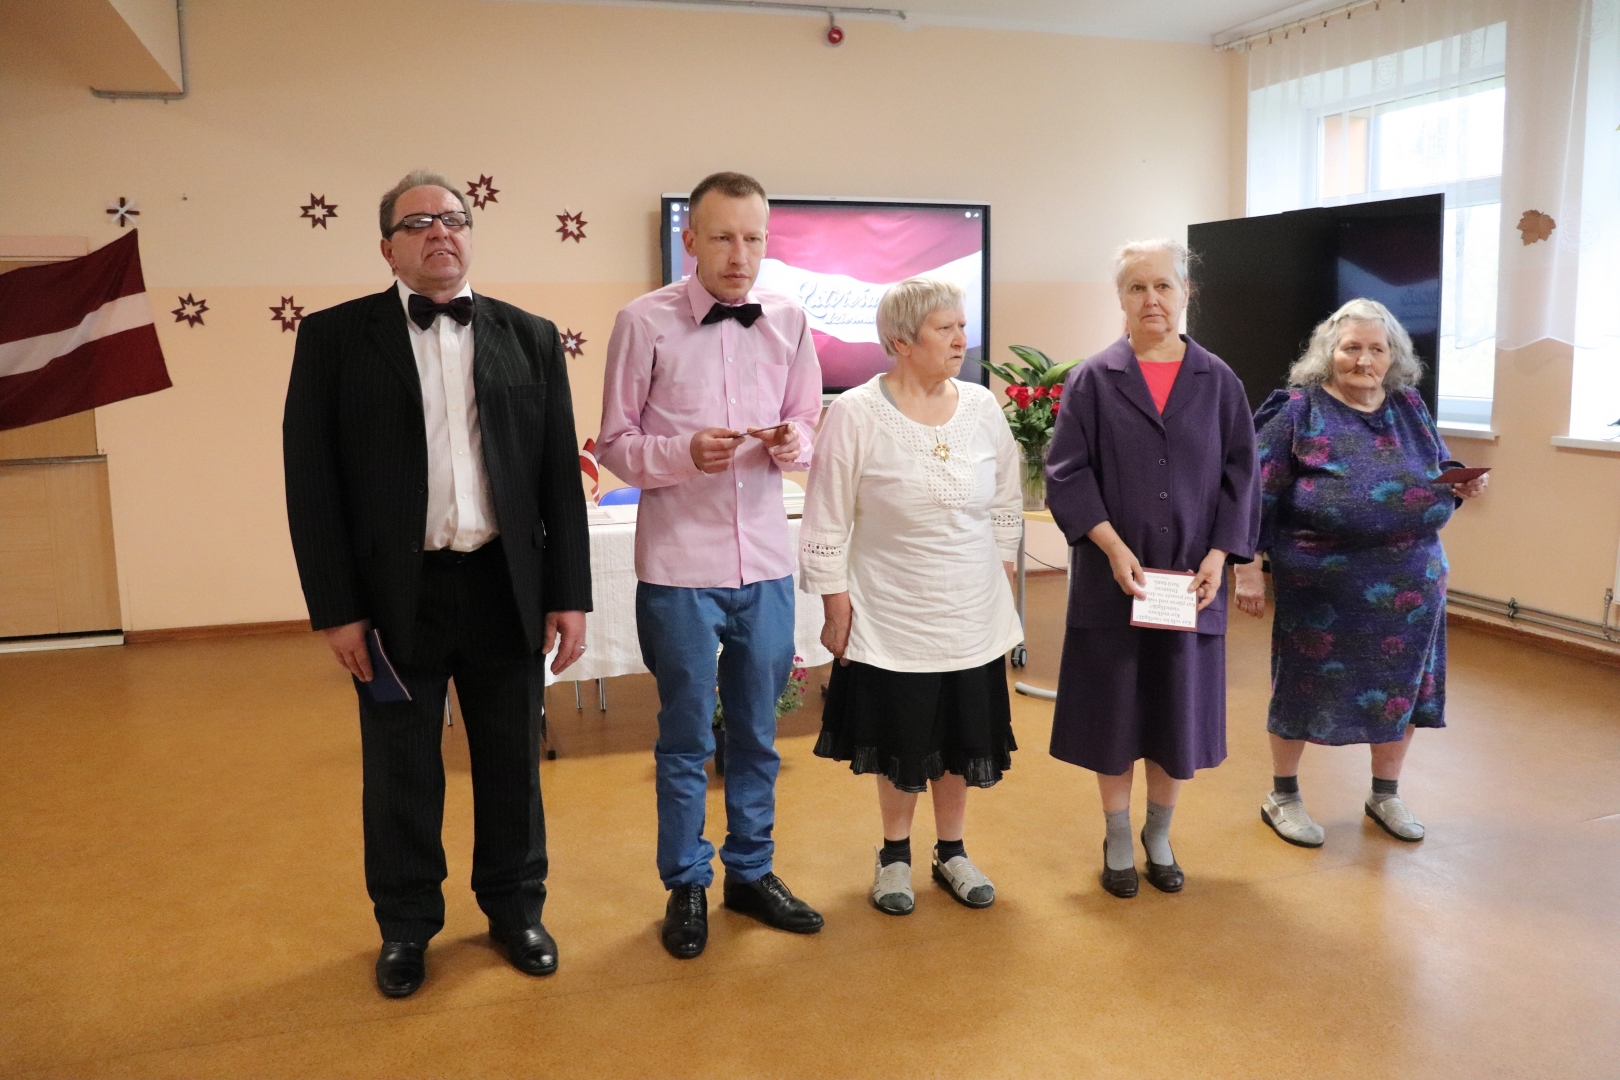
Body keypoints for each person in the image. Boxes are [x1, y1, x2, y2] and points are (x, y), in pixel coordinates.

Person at [282, 170, 592, 998]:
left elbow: (557, 479)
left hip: (503, 587)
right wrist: (338, 610)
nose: (439, 232)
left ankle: (516, 910)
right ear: (388, 248)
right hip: (395, 598)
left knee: (512, 763)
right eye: (418, 223)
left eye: (454, 218)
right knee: (400, 771)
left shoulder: (531, 336)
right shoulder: (334, 339)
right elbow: (311, 484)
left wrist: (569, 593)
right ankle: (407, 925)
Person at [598, 171, 824, 959]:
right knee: (685, 738)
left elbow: (808, 421)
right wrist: (683, 454)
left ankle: (751, 874)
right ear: (690, 240)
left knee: (759, 736)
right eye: (723, 237)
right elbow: (615, 444)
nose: (739, 255)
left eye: (753, 238)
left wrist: (795, 442)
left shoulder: (790, 320)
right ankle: (686, 883)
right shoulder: (643, 321)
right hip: (679, 570)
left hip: (765, 564)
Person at [800, 278, 1023, 916]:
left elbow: (1006, 502)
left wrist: (1002, 576)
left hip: (971, 611)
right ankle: (894, 855)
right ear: (901, 341)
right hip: (892, 612)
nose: (961, 340)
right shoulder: (855, 413)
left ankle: (951, 851)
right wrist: (834, 603)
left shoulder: (982, 406)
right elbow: (826, 517)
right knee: (903, 737)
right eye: (945, 329)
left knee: (960, 734)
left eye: (962, 326)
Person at [1045, 238, 1259, 899]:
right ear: (1121, 297)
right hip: (1115, 581)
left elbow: (1242, 477)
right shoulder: (1092, 379)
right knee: (1113, 711)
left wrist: (1219, 556)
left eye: (1163, 285)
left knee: (1176, 711)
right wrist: (1112, 547)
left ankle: (1159, 833)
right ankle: (1116, 834)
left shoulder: (1219, 381)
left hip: (1191, 584)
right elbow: (1066, 473)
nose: (1151, 300)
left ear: (1186, 293)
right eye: (1137, 287)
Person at [1234, 298, 1488, 847]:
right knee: (1303, 687)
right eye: (1352, 348)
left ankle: (1385, 793)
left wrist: (1460, 481)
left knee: (1401, 689)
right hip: (1322, 590)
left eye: (1377, 349)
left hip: (1412, 584)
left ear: (1393, 356)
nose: (1364, 360)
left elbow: (1436, 468)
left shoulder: (1409, 406)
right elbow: (1253, 492)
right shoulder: (1297, 410)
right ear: (1329, 352)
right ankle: (1283, 795)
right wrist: (1247, 568)